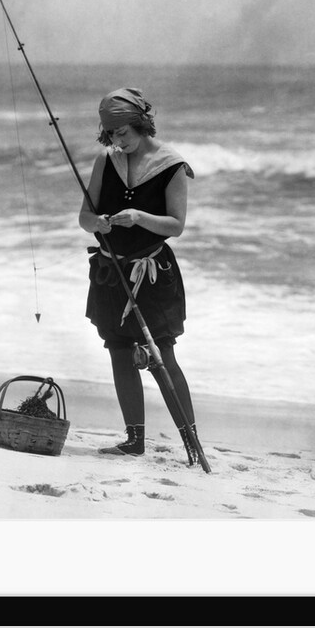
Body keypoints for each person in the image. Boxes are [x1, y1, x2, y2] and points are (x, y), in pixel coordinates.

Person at [79, 87, 200, 466]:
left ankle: (191, 443)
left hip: (151, 273)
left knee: (161, 354)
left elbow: (176, 226)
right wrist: (95, 222)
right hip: (110, 271)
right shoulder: (107, 161)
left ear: (142, 124)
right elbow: (84, 217)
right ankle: (134, 440)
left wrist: (139, 218)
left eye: (123, 133)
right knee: (118, 351)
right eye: (111, 134)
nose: (118, 141)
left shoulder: (172, 165)